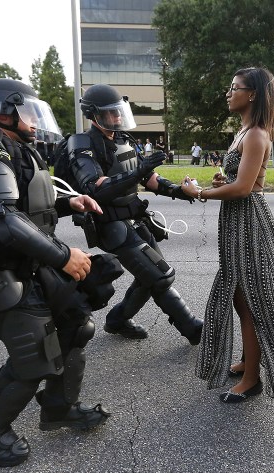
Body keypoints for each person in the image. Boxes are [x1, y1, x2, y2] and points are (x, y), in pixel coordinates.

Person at [0, 78, 115, 468]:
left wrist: (72, 203)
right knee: (35, 354)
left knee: (75, 325)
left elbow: (27, 204)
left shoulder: (11, 146)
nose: (35, 122)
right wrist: (62, 255)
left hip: (24, 260)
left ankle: (59, 408)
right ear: (5, 111)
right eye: (28, 113)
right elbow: (2, 218)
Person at [181, 67, 274, 403]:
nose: (229, 93)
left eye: (235, 88)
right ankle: (248, 361)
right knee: (238, 296)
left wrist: (199, 192)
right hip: (236, 222)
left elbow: (245, 188)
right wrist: (221, 182)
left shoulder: (257, 134)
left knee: (253, 302)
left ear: (253, 94)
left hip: (249, 224)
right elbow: (237, 181)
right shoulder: (243, 132)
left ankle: (251, 379)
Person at [66, 83, 203, 344]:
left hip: (135, 218)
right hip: (110, 224)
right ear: (94, 114)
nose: (117, 117)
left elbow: (149, 178)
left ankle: (118, 320)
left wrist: (179, 191)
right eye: (111, 113)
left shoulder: (123, 140)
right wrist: (138, 172)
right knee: (160, 275)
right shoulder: (82, 143)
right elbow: (94, 188)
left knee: (149, 276)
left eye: (119, 112)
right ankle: (192, 328)